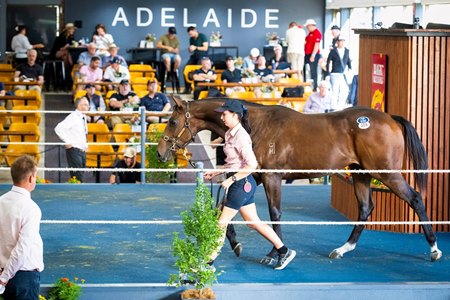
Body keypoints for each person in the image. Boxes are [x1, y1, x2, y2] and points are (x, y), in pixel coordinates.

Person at [204, 99, 296, 270]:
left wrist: (231, 179)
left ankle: (208, 262)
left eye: (224, 114)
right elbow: (234, 163)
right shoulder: (230, 133)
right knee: (253, 222)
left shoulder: (241, 137)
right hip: (241, 182)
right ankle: (284, 251)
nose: (222, 117)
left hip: (241, 183)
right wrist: (217, 171)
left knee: (221, 222)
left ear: (235, 115)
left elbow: (252, 164)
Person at [0, 155, 44, 299]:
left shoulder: (1, 201)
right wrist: (4, 278)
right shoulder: (31, 208)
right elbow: (22, 248)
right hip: (23, 279)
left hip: (4, 273)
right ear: (31, 178)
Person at [55, 97, 89, 182]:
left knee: (80, 174)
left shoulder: (83, 117)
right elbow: (59, 128)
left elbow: (82, 133)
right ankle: (78, 194)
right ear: (79, 106)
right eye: (86, 104)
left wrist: (85, 145)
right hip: (74, 149)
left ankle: (78, 193)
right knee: (78, 176)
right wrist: (67, 141)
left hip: (81, 150)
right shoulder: (73, 116)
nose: (88, 106)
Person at [326, 36, 352, 110]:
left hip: (344, 74)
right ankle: (334, 107)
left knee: (344, 91)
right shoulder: (333, 51)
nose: (341, 42)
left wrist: (350, 69)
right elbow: (328, 62)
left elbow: (348, 60)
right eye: (340, 41)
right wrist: (327, 74)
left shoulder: (347, 50)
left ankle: (340, 106)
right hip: (335, 73)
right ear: (337, 42)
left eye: (343, 41)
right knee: (335, 90)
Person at [183, 26, 208, 94]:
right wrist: (190, 49)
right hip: (195, 56)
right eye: (189, 34)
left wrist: (195, 47)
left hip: (203, 56)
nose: (190, 35)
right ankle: (188, 88)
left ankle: (198, 87)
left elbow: (205, 48)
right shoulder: (191, 39)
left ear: (195, 30)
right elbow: (192, 50)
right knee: (185, 69)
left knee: (198, 69)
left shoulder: (202, 36)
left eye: (191, 33)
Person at [304, 19, 322, 91]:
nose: (307, 28)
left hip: (313, 55)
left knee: (313, 71)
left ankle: (314, 87)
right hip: (307, 54)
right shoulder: (310, 33)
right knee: (305, 70)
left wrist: (313, 55)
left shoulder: (317, 33)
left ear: (311, 25)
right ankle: (306, 85)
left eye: (308, 27)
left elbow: (316, 45)